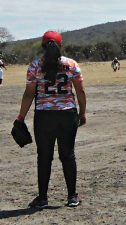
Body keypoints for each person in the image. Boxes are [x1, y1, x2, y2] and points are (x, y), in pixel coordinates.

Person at [15, 31, 87, 208]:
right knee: (68, 155)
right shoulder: (71, 64)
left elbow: (29, 94)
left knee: (44, 157)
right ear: (61, 45)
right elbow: (80, 92)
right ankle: (72, 197)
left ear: (42, 45)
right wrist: (82, 113)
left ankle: (42, 198)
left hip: (44, 117)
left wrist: (20, 117)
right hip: (67, 115)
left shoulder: (35, 66)